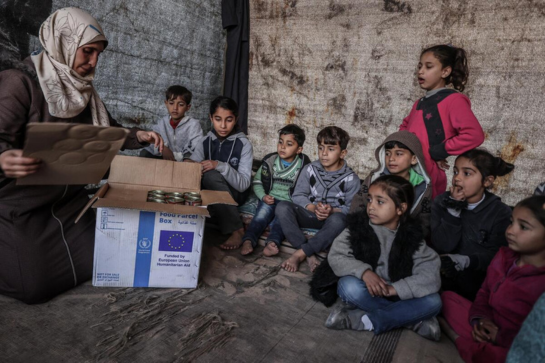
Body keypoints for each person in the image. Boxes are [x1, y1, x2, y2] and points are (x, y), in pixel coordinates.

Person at [0, 7, 163, 304]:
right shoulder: (19, 82)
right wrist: (3, 158)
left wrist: (137, 136)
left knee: (105, 259)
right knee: (33, 286)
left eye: (98, 54)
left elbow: (108, 131)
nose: (93, 62)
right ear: (63, 42)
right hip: (22, 206)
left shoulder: (83, 91)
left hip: (68, 203)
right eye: (87, 51)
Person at [310, 175, 442, 341]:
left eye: (380, 202)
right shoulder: (358, 228)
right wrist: (364, 272)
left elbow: (430, 273)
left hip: (396, 291)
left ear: (400, 209)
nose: (371, 206)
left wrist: (394, 289)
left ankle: (362, 320)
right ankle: (411, 320)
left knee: (434, 301)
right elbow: (337, 256)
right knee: (347, 286)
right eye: (370, 200)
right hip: (367, 288)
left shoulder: (411, 237)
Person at [441, 196, 545, 363]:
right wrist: (481, 320)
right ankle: (472, 342)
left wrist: (500, 337)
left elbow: (537, 339)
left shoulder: (541, 284)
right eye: (512, 222)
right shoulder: (503, 257)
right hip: (486, 324)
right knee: (446, 299)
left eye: (523, 227)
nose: (510, 231)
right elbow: (483, 293)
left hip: (513, 341)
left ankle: (458, 340)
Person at [400, 44, 485, 198]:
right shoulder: (419, 102)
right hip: (406, 170)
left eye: (429, 66)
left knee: (423, 216)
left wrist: (439, 151)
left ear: (445, 71)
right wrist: (401, 149)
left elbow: (474, 135)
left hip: (427, 174)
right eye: (420, 66)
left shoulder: (454, 100)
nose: (420, 71)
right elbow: (405, 126)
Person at [275, 126, 360, 273]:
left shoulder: (351, 179)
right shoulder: (310, 169)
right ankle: (309, 253)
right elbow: (298, 195)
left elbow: (352, 209)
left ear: (343, 153)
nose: (324, 154)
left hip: (331, 221)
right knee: (282, 207)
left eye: (331, 149)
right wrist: (313, 208)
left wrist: (332, 211)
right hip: (310, 214)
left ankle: (300, 253)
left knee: (340, 220)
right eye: (321, 148)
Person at [431, 149, 514, 301]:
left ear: (487, 181)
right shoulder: (441, 202)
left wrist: (465, 261)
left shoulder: (500, 212)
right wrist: (453, 210)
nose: (457, 179)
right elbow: (442, 246)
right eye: (455, 172)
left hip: (477, 286)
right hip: (440, 279)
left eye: (467, 173)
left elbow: (498, 256)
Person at [190, 96, 253, 249]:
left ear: (236, 119)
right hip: (210, 193)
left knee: (211, 176)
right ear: (211, 118)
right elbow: (191, 166)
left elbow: (244, 185)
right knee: (197, 175)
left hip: (234, 193)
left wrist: (219, 165)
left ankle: (237, 230)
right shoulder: (205, 141)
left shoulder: (244, 144)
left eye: (229, 120)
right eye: (218, 119)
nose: (223, 125)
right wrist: (191, 165)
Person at [240, 124, 311, 256]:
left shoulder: (304, 167)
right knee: (260, 217)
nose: (283, 147)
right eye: (280, 142)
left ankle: (272, 242)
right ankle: (248, 239)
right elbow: (257, 181)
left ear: (299, 149)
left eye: (289, 144)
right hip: (270, 199)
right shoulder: (270, 161)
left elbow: (306, 189)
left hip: (288, 204)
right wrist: (263, 196)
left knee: (281, 222)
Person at [350, 130, 432, 237]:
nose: (391, 158)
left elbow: (424, 220)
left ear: (413, 159)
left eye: (399, 154)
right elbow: (359, 202)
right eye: (388, 153)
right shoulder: (374, 178)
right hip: (369, 231)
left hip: (402, 238)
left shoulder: (423, 187)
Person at [141, 85, 202, 161]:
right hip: (165, 161)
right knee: (144, 153)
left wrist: (187, 158)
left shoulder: (193, 124)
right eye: (171, 103)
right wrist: (163, 148)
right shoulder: (162, 123)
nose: (175, 108)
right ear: (166, 103)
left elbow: (197, 145)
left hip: (185, 161)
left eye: (181, 104)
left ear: (188, 107)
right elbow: (151, 141)